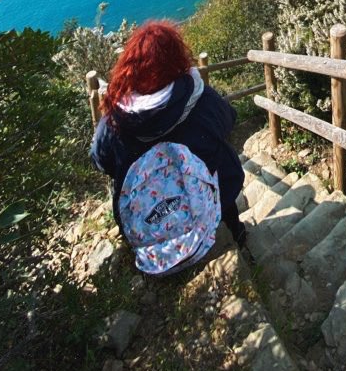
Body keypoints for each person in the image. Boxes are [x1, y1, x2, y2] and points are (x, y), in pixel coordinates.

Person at [90, 20, 247, 247]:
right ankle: (237, 236)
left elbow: (101, 162)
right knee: (221, 173)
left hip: (149, 221)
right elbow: (228, 120)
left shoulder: (113, 122)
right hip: (212, 199)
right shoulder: (201, 99)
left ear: (130, 66)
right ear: (176, 59)